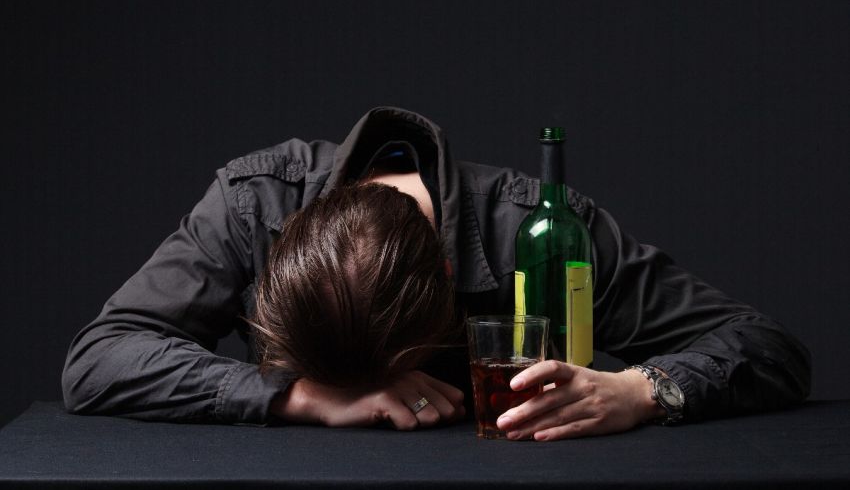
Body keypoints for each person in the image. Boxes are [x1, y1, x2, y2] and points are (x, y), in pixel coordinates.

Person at [62, 106, 811, 440]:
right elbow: (97, 358)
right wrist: (298, 393)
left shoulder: (534, 227)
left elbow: (766, 345)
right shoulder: (254, 204)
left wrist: (643, 390)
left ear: (450, 275)